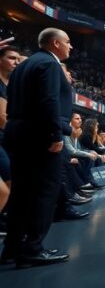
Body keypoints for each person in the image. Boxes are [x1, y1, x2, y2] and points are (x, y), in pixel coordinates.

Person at [2, 28, 73, 267]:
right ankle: (33, 248)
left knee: (20, 194)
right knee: (44, 193)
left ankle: (11, 248)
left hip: (16, 131)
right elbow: (49, 99)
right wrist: (55, 133)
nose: (70, 47)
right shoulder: (50, 65)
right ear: (55, 43)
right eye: (67, 42)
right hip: (39, 135)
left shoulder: (23, 65)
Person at [0, 46, 21, 233]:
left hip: (7, 141)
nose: (16, 62)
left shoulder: (11, 85)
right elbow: (3, 119)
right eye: (11, 58)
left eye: (18, 59)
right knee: (7, 185)